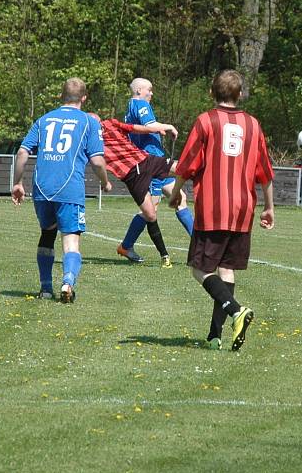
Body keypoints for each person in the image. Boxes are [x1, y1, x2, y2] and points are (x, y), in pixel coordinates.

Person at [168, 69, 275, 352]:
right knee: (227, 270)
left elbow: (189, 161)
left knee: (199, 269)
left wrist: (177, 189)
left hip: (214, 207)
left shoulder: (206, 121)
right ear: (240, 95)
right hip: (243, 209)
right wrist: (269, 207)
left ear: (211, 93)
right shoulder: (254, 125)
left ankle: (236, 310)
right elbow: (265, 172)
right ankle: (215, 337)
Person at [11, 78, 113, 303]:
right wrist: (105, 181)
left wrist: (17, 183)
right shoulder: (89, 122)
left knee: (47, 234)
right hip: (69, 189)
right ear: (84, 98)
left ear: (61, 95)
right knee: (71, 241)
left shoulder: (44, 120)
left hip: (42, 189)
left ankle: (46, 288)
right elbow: (97, 161)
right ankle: (67, 282)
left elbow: (22, 153)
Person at [119, 77, 194, 267]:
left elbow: (145, 128)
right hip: (151, 164)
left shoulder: (132, 106)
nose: (151, 93)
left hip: (153, 163)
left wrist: (156, 130)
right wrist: (167, 126)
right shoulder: (140, 104)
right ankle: (126, 246)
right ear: (138, 91)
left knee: (180, 198)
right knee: (150, 210)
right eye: (149, 90)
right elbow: (148, 125)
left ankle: (199, 244)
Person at [87, 112, 180, 265]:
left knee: (184, 169)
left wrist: (157, 129)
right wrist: (104, 182)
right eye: (96, 123)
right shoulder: (90, 141)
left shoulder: (110, 123)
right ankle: (164, 256)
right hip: (132, 176)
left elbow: (135, 128)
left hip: (146, 160)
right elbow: (96, 163)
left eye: (99, 121)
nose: (100, 124)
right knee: (150, 215)